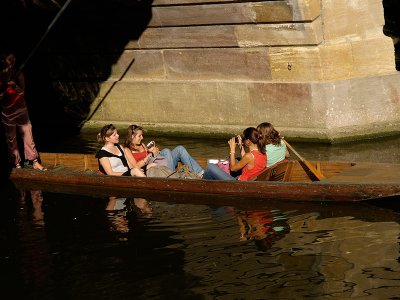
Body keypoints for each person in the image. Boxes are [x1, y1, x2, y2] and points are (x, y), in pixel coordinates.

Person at [0, 51, 46, 170]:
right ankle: (17, 164)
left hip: (21, 108)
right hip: (7, 111)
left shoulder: (18, 73)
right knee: (11, 138)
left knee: (28, 134)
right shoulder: (0, 75)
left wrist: (14, 85)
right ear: (4, 61)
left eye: (13, 59)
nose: (12, 62)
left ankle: (34, 161)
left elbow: (22, 93)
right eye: (10, 60)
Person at [123, 124, 204, 177]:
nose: (142, 138)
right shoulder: (127, 149)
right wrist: (149, 155)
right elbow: (135, 166)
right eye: (139, 136)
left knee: (179, 149)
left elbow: (152, 156)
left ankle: (199, 173)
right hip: (151, 170)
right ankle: (172, 176)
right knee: (167, 151)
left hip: (158, 164)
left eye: (142, 135)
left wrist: (155, 151)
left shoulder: (142, 145)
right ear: (132, 136)